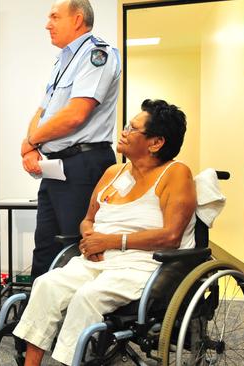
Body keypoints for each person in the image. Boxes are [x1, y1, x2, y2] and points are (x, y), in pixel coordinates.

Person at [13, 99, 196, 365]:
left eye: (132, 128)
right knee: (46, 285)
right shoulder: (113, 172)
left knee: (87, 298)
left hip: (142, 266)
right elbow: (87, 220)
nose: (123, 132)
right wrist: (90, 238)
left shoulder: (175, 173)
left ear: (155, 143)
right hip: (97, 258)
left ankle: (69, 362)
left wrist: (110, 241)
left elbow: (171, 236)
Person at [22, 0, 120, 280]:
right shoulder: (63, 60)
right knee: (46, 244)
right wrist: (31, 146)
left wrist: (31, 140)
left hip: (84, 164)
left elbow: (76, 114)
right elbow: (44, 110)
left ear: (77, 19)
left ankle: (75, 317)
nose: (47, 23)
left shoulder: (96, 54)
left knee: (76, 246)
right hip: (56, 165)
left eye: (54, 16)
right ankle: (37, 314)